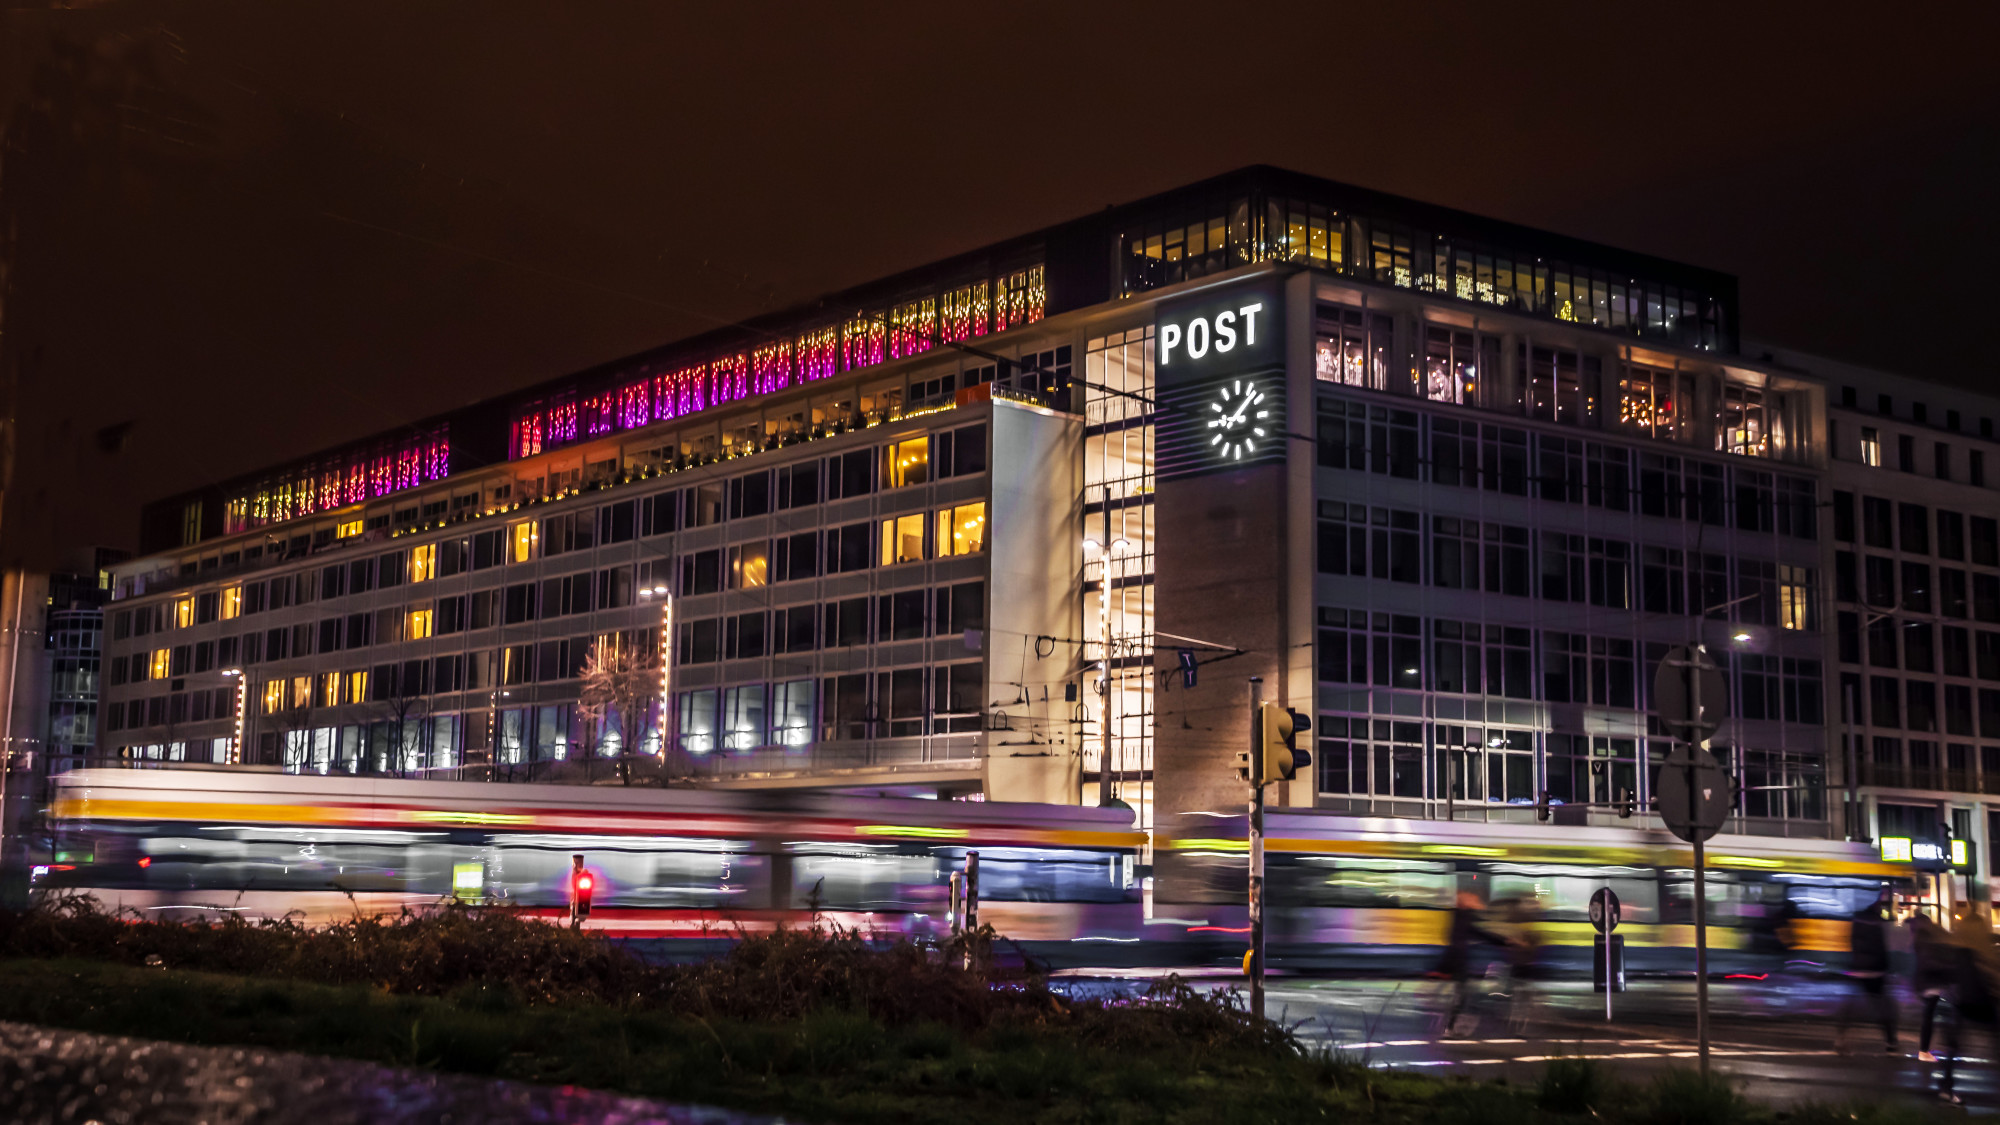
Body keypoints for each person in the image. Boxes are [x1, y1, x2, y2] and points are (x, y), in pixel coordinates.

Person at [1937, 911, 2000, 1103]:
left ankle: (1946, 1088)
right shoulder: (1982, 951)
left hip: (1959, 1006)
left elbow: (1947, 978)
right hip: (1983, 1005)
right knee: (1996, 1045)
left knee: (1953, 1049)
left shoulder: (1955, 950)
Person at [1431, 890, 1512, 1038]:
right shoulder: (1461, 916)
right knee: (1461, 996)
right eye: (1472, 899)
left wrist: (1502, 940)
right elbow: (1474, 934)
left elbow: (1476, 933)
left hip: (1457, 961)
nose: (1476, 902)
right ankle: (1447, 1028)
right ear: (1464, 902)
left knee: (1461, 996)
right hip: (1457, 962)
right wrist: (1502, 941)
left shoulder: (1461, 915)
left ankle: (1448, 1027)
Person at [1835, 890, 1898, 1053]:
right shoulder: (1878, 923)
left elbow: (1851, 944)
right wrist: (1886, 969)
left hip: (1857, 970)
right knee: (1884, 1008)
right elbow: (1882, 948)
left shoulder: (1857, 920)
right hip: (1875, 972)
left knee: (1851, 1007)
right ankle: (1891, 1042)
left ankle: (1841, 1038)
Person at [1910, 911, 1953, 1063]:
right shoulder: (1926, 938)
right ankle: (1924, 1050)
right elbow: (1929, 962)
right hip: (1931, 982)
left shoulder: (1918, 938)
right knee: (1931, 1016)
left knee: (1931, 1015)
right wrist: (1946, 967)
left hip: (1925, 982)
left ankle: (1927, 1049)